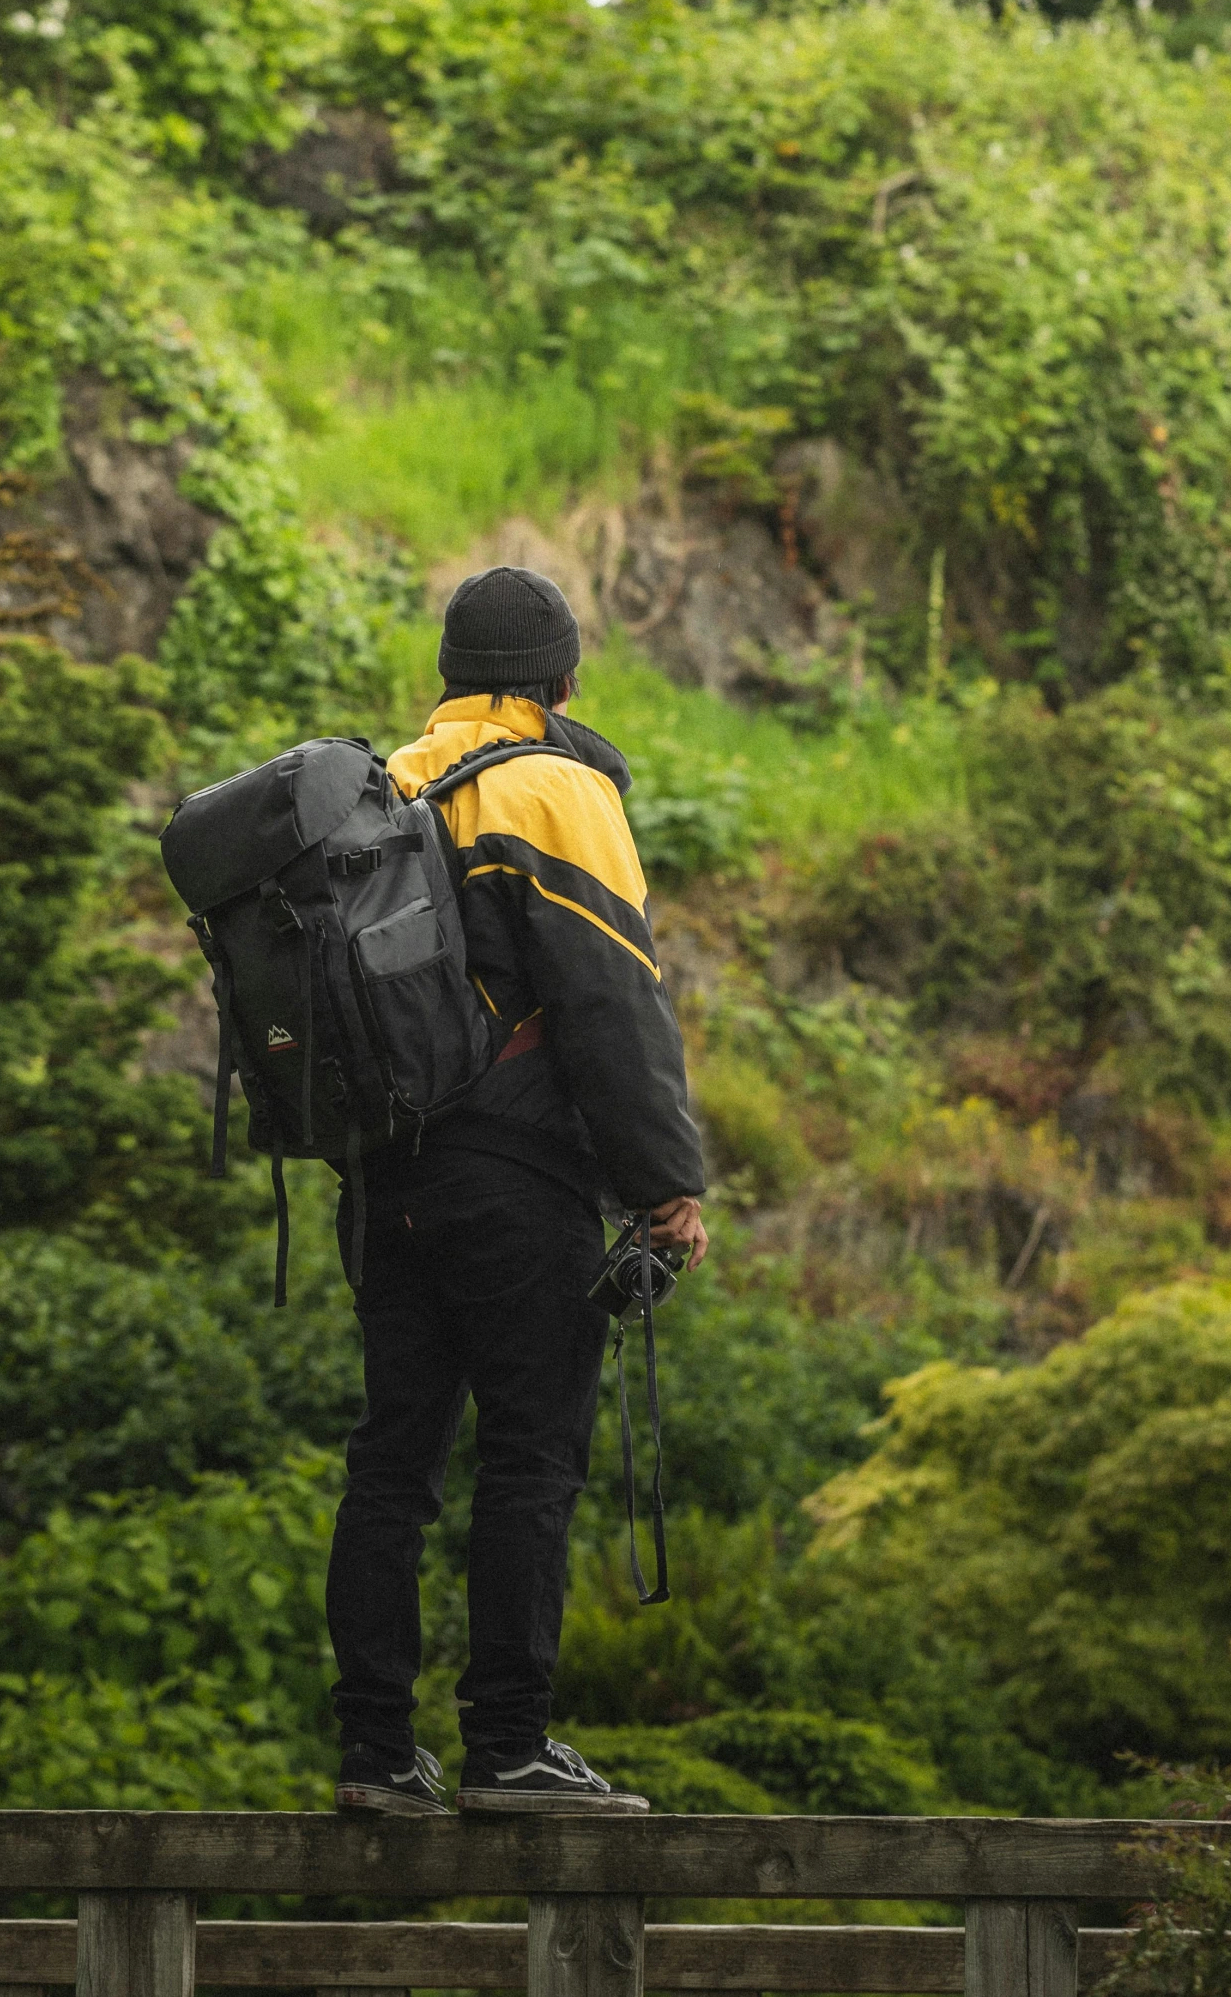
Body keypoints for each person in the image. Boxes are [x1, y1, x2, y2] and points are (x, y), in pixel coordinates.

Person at [327, 565, 708, 1818]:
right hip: (513, 1177)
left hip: (387, 1182)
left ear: (448, 672)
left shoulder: (380, 787)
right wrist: (665, 1186)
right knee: (532, 1456)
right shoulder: (551, 788)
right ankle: (508, 1750)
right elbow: (611, 998)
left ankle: (376, 1757)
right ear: (561, 677)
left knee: (392, 1466)